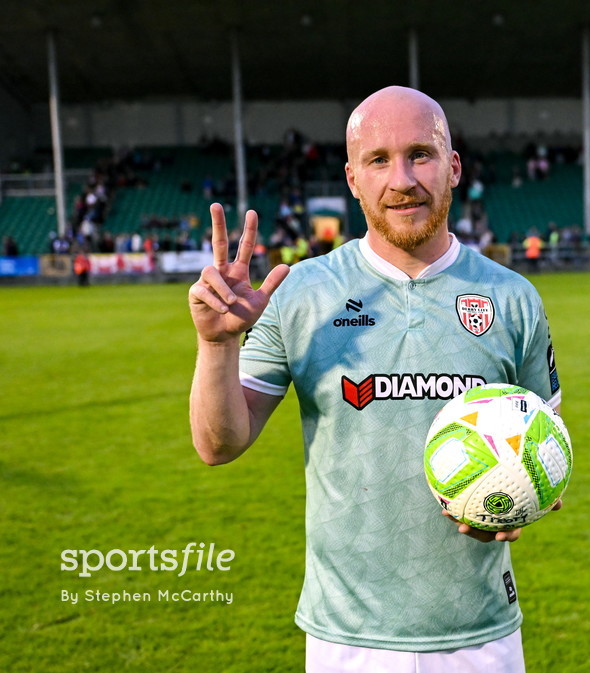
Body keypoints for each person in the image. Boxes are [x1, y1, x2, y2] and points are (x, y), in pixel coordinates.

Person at [188, 86, 562, 673]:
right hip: (345, 638)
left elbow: (547, 438)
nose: (402, 179)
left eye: (421, 153)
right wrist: (216, 345)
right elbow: (218, 444)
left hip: (479, 633)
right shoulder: (301, 293)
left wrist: (521, 500)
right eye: (378, 160)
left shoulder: (511, 297)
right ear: (352, 178)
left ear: (453, 166)